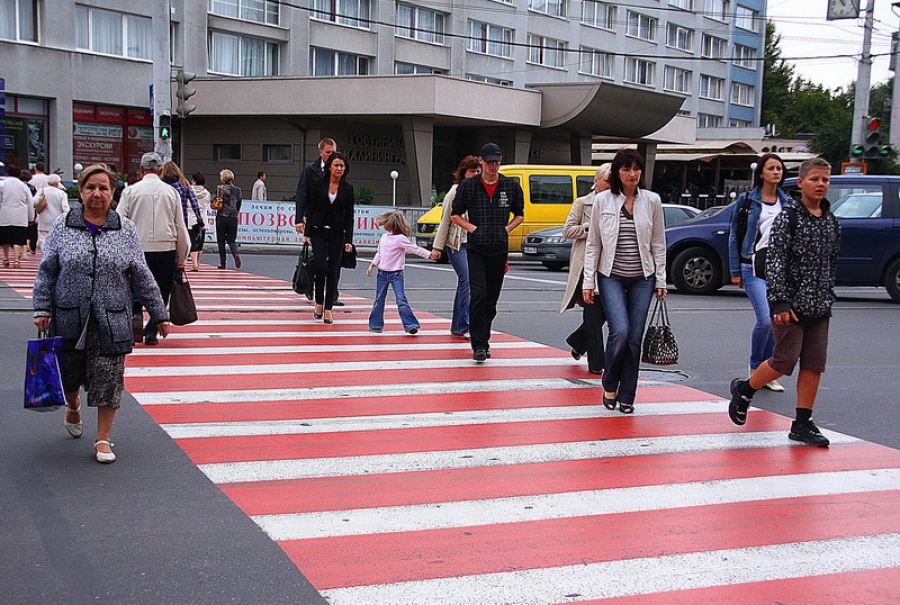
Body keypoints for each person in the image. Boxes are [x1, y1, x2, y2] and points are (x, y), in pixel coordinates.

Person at [32, 164, 170, 464]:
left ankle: (103, 438)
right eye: (90, 187)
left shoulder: (126, 228)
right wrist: (42, 308)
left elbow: (141, 275)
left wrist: (159, 314)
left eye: (103, 188)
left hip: (112, 318)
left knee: (109, 379)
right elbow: (47, 271)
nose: (97, 193)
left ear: (113, 193)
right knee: (69, 375)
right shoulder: (62, 226)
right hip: (69, 315)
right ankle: (73, 405)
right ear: (80, 192)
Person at [728, 157, 841, 447]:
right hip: (790, 304)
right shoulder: (788, 217)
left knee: (814, 364)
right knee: (784, 359)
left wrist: (827, 296)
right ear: (801, 183)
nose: (820, 184)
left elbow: (831, 262)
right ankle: (745, 389)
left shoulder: (830, 221)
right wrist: (779, 301)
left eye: (825, 180)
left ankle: (803, 422)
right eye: (814, 179)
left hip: (819, 305)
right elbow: (775, 261)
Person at [583, 149, 667, 414]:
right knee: (619, 331)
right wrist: (588, 282)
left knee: (634, 337)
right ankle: (609, 383)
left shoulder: (652, 201)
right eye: (626, 169)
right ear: (617, 173)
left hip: (643, 277)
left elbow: (658, 243)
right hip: (611, 277)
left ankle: (628, 394)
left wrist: (661, 279)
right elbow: (593, 243)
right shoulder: (603, 201)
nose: (632, 174)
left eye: (636, 169)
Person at [451, 143, 525, 362]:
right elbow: (455, 214)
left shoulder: (511, 186)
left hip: (499, 249)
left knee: (491, 301)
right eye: (489, 162)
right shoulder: (469, 186)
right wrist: (473, 228)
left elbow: (520, 214)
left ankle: (484, 334)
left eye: (497, 162)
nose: (493, 166)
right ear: (481, 161)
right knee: (479, 295)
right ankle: (479, 345)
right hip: (475, 249)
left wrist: (507, 228)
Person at [728, 153, 790, 392]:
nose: (776, 172)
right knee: (764, 320)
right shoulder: (747, 201)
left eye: (779, 168)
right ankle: (755, 368)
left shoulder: (787, 201)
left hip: (781, 269)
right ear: (761, 173)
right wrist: (735, 270)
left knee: (777, 320)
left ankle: (768, 371)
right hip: (752, 265)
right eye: (771, 168)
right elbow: (735, 234)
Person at [117, 152, 190, 346]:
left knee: (134, 286)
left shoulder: (130, 192)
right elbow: (180, 226)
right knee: (161, 290)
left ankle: (135, 311)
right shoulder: (171, 192)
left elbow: (119, 222)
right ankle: (151, 330)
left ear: (141, 170)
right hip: (165, 247)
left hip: (136, 247)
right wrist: (182, 256)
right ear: (160, 171)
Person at [562, 163, 611, 375]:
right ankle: (597, 363)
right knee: (592, 315)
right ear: (596, 181)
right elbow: (568, 230)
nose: (610, 185)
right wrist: (590, 228)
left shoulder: (618, 204)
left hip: (610, 266)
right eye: (607, 180)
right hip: (587, 266)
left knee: (607, 313)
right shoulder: (583, 203)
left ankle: (578, 342)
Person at [367, 210, 440, 334]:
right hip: (382, 273)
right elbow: (379, 253)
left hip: (396, 274)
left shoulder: (401, 239)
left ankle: (410, 324)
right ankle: (375, 324)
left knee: (400, 299)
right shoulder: (384, 237)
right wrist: (373, 264)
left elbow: (414, 249)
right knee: (380, 299)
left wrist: (428, 255)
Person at [432, 155, 480, 339]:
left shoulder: (479, 191)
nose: (475, 174)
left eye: (477, 171)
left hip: (474, 244)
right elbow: (445, 221)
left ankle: (457, 325)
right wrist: (437, 247)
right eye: (471, 171)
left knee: (466, 284)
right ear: (463, 172)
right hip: (456, 244)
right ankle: (463, 325)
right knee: (466, 281)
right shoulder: (455, 192)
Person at [303, 152, 354, 324]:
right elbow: (310, 209)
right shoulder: (318, 185)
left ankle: (328, 309)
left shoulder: (348, 189)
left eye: (342, 166)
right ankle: (318, 302)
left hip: (337, 233)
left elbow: (349, 216)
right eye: (336, 165)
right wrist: (307, 233)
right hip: (318, 230)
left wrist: (349, 240)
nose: (339, 168)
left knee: (333, 270)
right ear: (330, 166)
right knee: (321, 267)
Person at [295, 137, 345, 305]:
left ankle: (333, 294)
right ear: (321, 152)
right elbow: (302, 194)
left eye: (334, 152)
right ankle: (310, 286)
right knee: (318, 258)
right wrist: (299, 219)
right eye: (328, 152)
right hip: (315, 220)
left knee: (335, 259)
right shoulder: (311, 170)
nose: (332, 155)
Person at [161, 161, 205, 267]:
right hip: (182, 218)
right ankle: (180, 264)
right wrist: (199, 218)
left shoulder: (162, 184)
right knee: (181, 241)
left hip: (164, 218)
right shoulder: (184, 184)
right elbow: (194, 202)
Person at [0, 165, 35, 268]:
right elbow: (30, 202)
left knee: (4, 239)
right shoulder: (24, 186)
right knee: (17, 239)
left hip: (5, 214)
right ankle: (16, 261)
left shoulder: (2, 184)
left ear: (8, 173)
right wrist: (31, 218)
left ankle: (6, 259)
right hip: (20, 216)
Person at [214, 169, 243, 270]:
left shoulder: (220, 188)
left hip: (222, 216)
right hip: (233, 217)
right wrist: (235, 212)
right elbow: (239, 203)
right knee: (231, 239)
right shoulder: (238, 190)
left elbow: (218, 200)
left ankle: (223, 263)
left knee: (221, 240)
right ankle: (235, 254)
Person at [33, 173, 70, 250]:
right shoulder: (62, 193)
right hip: (57, 220)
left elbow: (34, 202)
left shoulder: (42, 191)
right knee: (57, 239)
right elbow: (65, 208)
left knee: (43, 239)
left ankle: (45, 253)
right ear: (57, 183)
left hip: (43, 219)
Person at [189, 172, 212, 270]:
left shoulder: (189, 190)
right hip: (202, 219)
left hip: (191, 218)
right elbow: (207, 204)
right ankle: (198, 263)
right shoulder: (206, 193)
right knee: (200, 242)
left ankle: (194, 263)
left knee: (192, 241)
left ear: (194, 181)